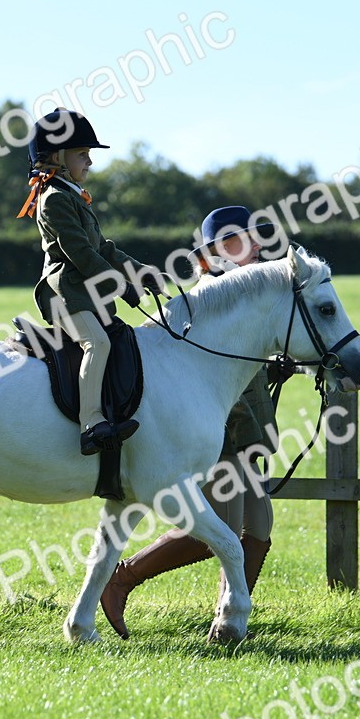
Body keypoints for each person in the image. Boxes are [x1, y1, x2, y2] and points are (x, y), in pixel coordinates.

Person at [99, 205, 279, 638]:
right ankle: (121, 579)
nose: (251, 249)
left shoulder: (247, 300)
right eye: (237, 242)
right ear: (210, 255)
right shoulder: (204, 300)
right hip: (217, 431)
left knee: (259, 528)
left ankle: (231, 616)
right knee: (214, 530)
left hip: (246, 427)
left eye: (253, 240)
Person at [18, 108, 162, 456]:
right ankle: (91, 424)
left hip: (86, 294)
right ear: (57, 157)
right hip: (65, 293)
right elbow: (82, 254)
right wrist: (120, 286)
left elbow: (104, 249)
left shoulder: (73, 195)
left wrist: (142, 272)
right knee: (97, 343)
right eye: (83, 154)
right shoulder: (53, 199)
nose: (90, 163)